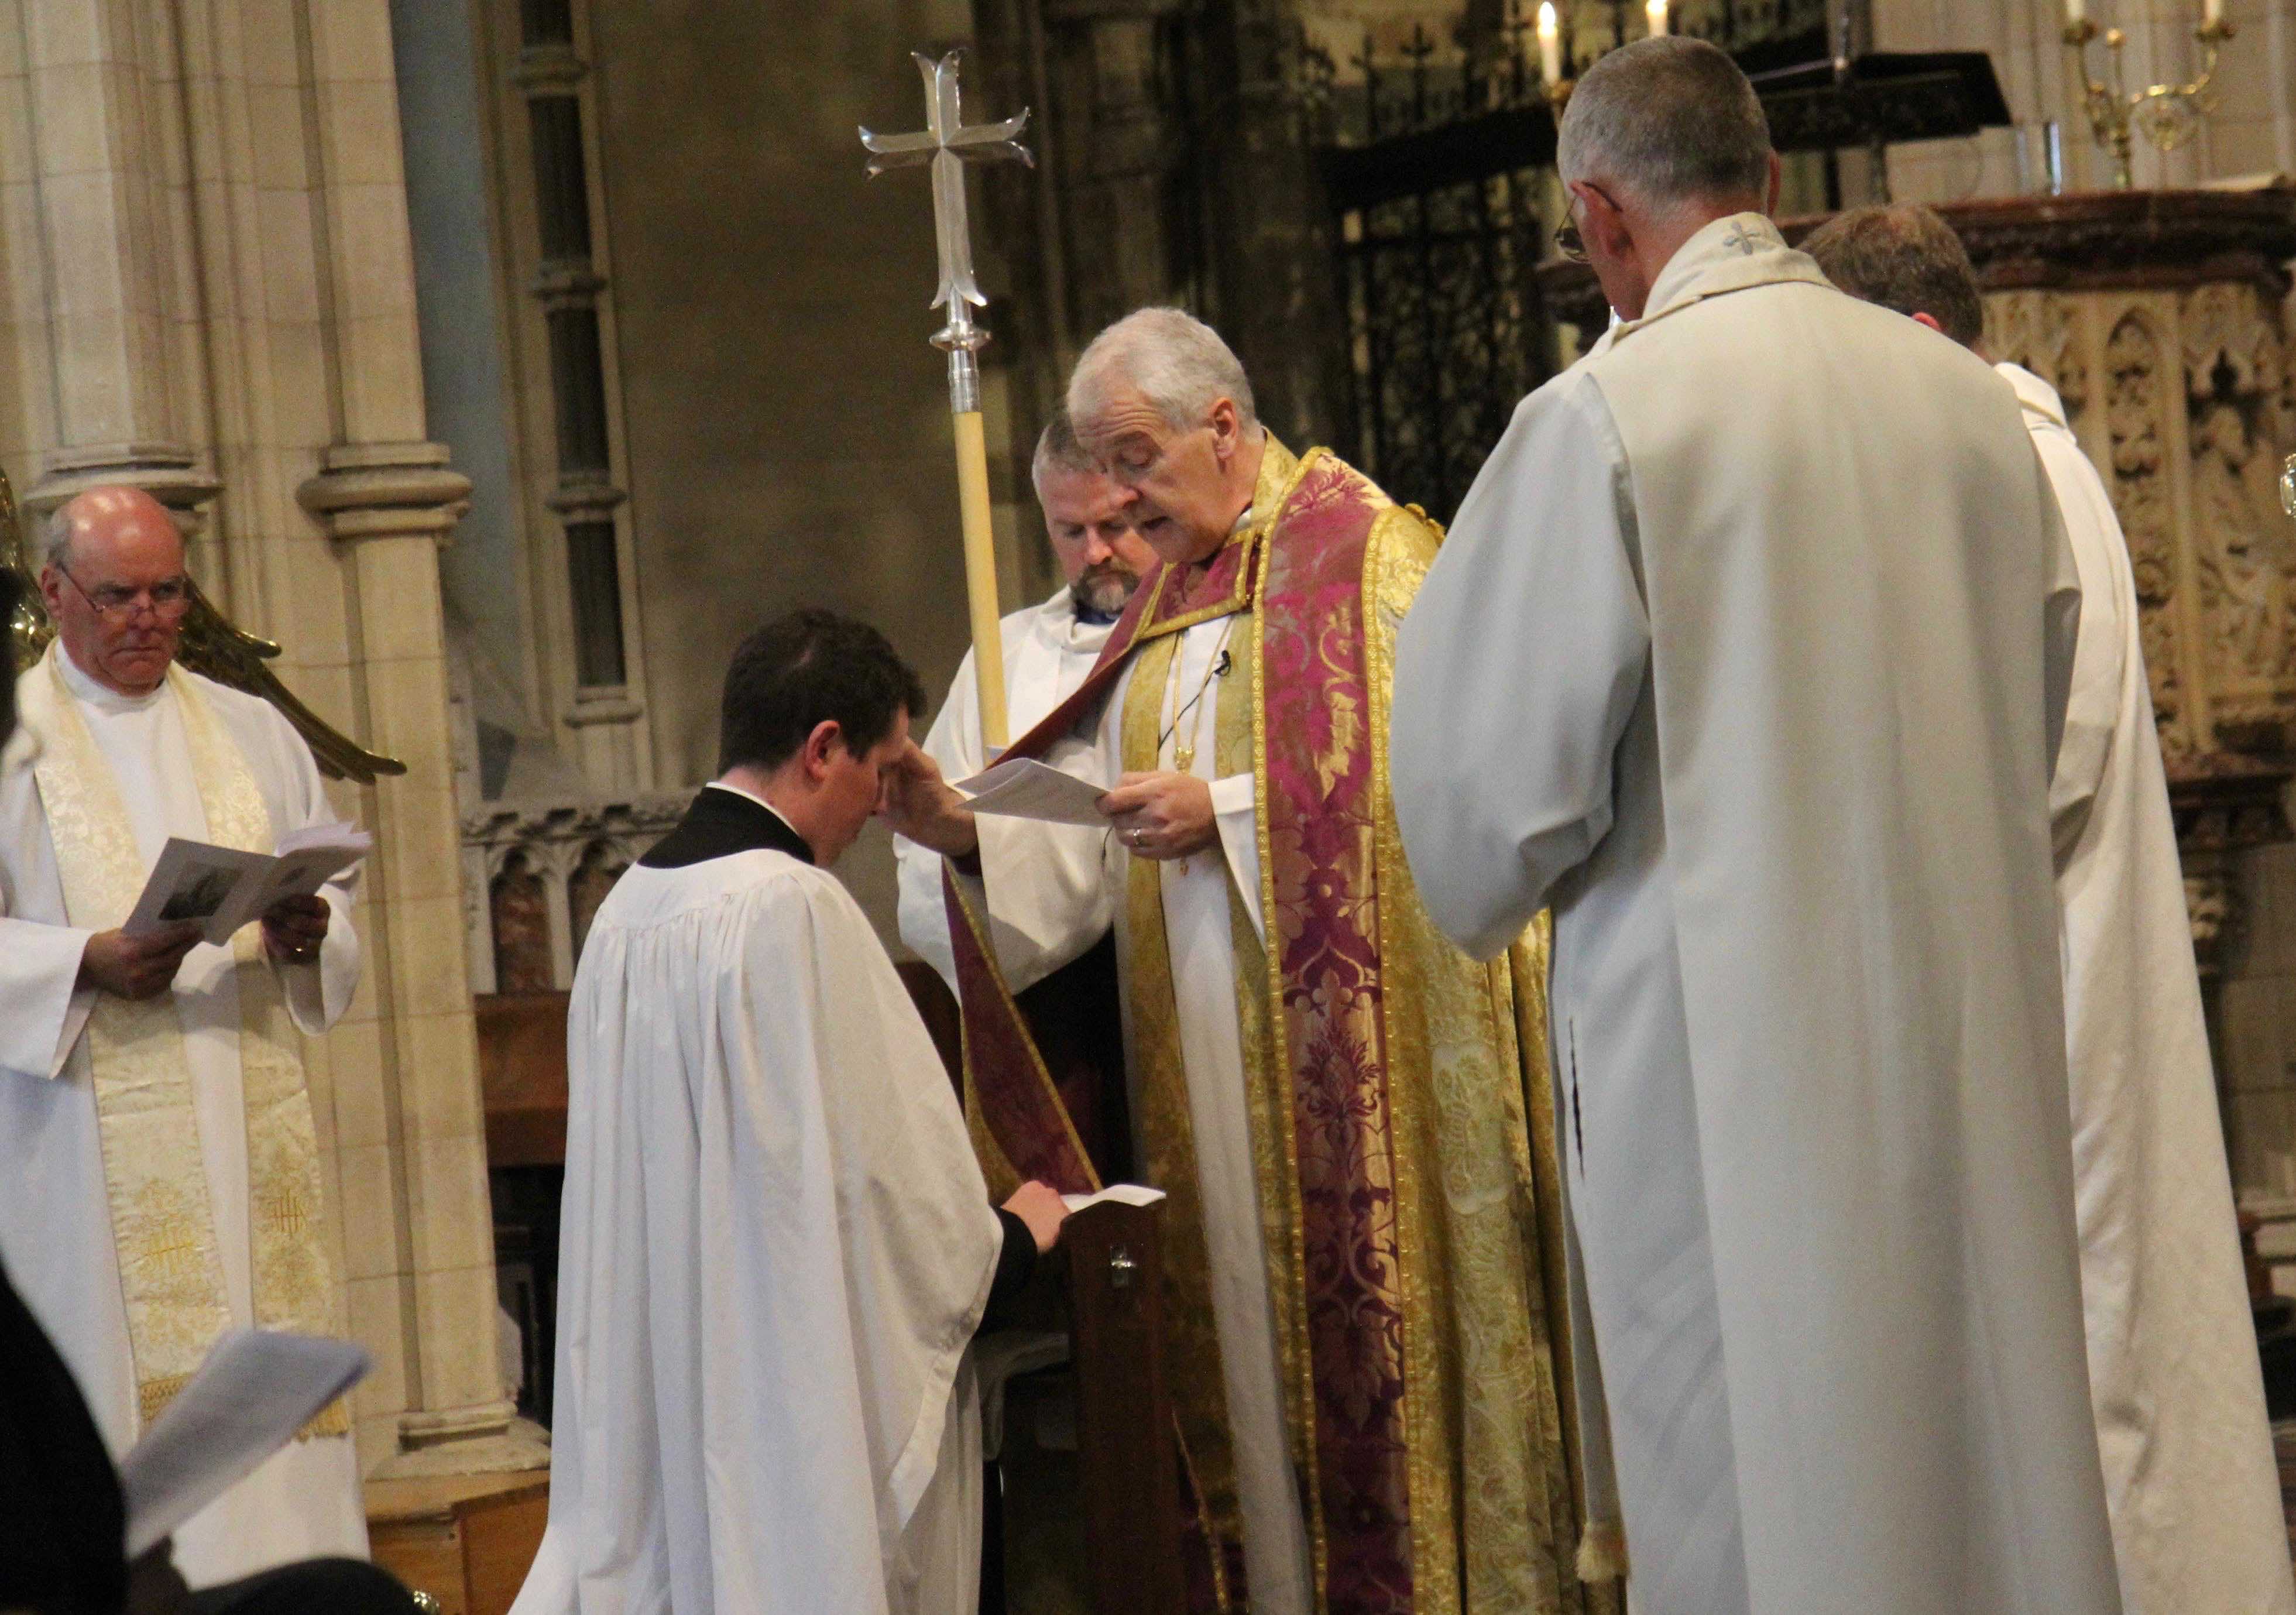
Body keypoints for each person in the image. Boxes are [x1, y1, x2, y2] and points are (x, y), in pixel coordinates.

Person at [1389, 38, 2124, 1615]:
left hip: (1730, 1097)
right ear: (1771, 184)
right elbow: (2039, 711)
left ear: (1597, 217)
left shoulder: (1602, 423)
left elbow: (1470, 824)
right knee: (1980, 1465)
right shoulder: (1969, 405)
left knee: (1766, 1491)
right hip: (1962, 1052)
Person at [888, 311, 1599, 1615]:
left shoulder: (1376, 557)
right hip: (1198, 1082)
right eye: (1099, 469)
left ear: (1224, 426)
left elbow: (1441, 799)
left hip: (1359, 1094)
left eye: (1136, 459)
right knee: (1248, 1408)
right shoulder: (1160, 600)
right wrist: (965, 834)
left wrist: (1220, 813)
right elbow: (1085, 835)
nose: (1115, 500)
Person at [1804, 201, 2296, 1615]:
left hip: (2049, 992)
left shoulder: (2008, 466)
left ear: (1908, 340)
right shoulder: (1998, 459)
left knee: (2092, 1359)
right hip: (2041, 978)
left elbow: (2044, 759)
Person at [511, 609, 1069, 1615]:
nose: (880, 802)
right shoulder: (793, 908)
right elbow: (898, 1202)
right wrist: (1014, 1236)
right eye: (883, 764)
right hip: (773, 1409)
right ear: (822, 748)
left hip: (667, 1389)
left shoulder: (627, 912)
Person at [0, 489, 367, 1587]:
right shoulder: (14, 741)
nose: (148, 617)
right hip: (78, 1161)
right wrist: (83, 962)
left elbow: (335, 907)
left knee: (276, 1484)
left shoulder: (251, 729)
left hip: (252, 1145)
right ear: (56, 590)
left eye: (168, 591)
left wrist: (309, 927)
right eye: (119, 594)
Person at [895, 409, 1158, 987]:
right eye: (1071, 531)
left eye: (1113, 526)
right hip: (1057, 995)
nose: (1094, 553)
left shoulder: (1203, 640)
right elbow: (929, 863)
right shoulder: (1003, 654)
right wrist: (965, 846)